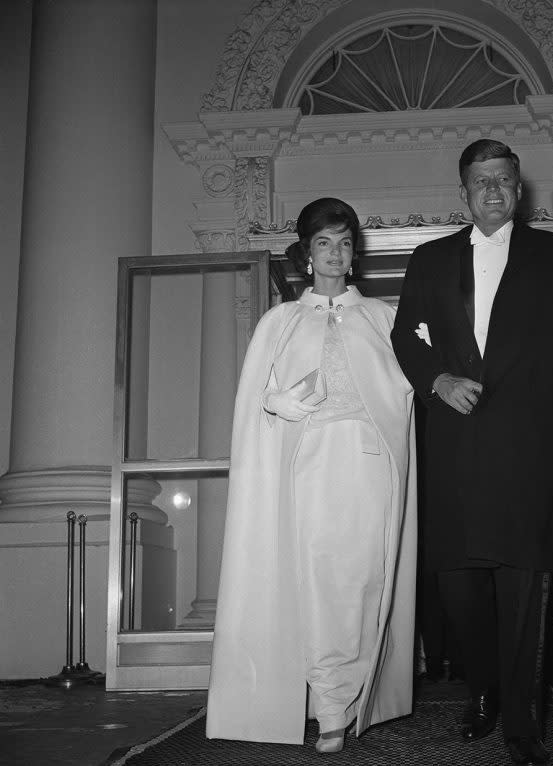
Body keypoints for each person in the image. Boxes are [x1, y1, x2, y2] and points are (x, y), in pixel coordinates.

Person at [391, 140, 553, 765]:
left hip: (529, 442)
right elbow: (406, 334)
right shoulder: (430, 259)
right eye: (480, 181)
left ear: (518, 189)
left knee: (525, 581)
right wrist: (436, 380)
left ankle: (521, 720)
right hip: (455, 442)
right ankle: (482, 689)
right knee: (458, 581)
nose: (492, 191)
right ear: (464, 192)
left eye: (503, 180)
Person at [206, 197, 417, 753]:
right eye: (324, 242)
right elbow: (256, 399)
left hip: (371, 465)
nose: (335, 253)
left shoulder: (383, 317)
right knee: (319, 583)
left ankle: (354, 696)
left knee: (365, 582)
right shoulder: (280, 321)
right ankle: (329, 709)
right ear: (306, 253)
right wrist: (281, 400)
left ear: (355, 253)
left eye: (345, 242)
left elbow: (406, 392)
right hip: (310, 467)